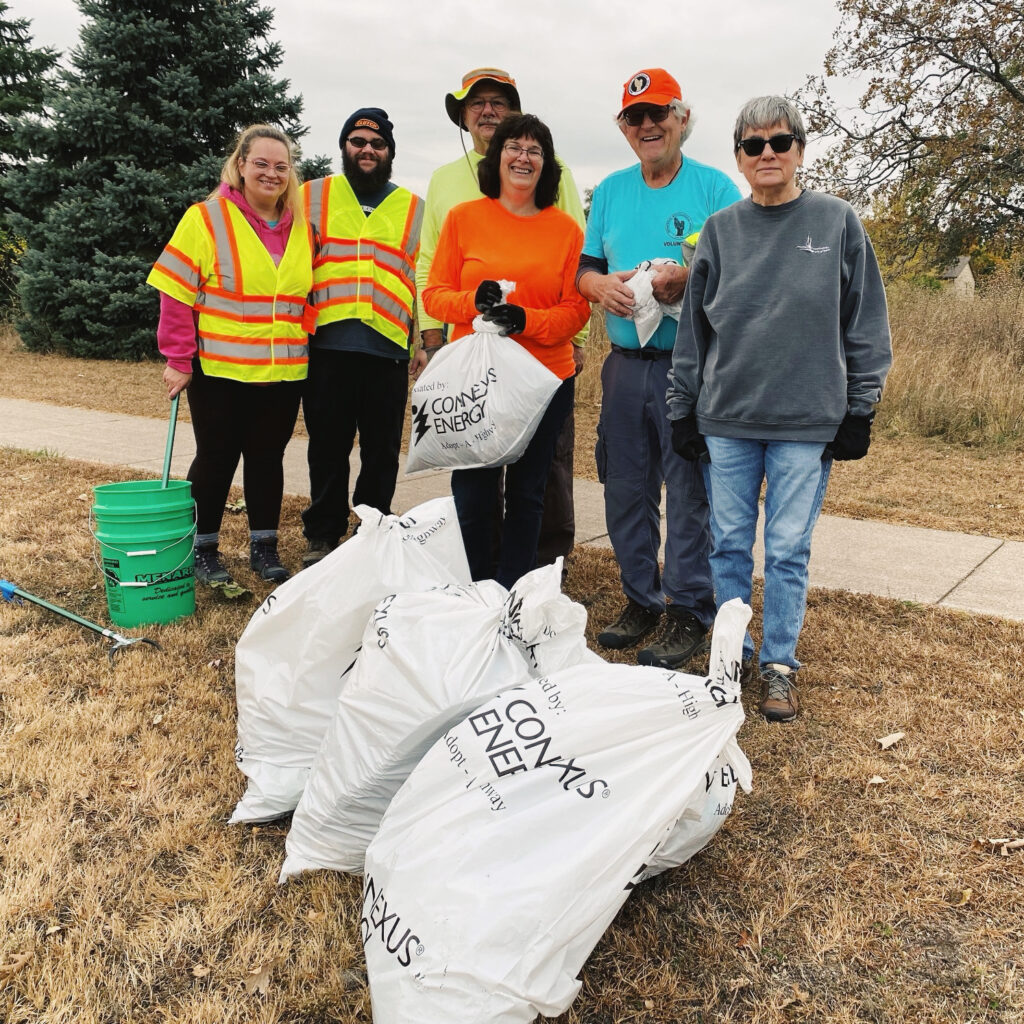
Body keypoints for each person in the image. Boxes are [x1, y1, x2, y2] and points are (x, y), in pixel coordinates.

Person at [668, 96, 892, 722]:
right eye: (753, 144)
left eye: (779, 141)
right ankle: (732, 654)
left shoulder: (839, 222)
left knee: (788, 547)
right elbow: (694, 333)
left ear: (799, 148)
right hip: (727, 420)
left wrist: (860, 410)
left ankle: (778, 663)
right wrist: (683, 408)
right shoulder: (719, 231)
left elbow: (866, 323)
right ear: (738, 157)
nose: (767, 153)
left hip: (807, 422)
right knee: (730, 544)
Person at [576, 68, 741, 667]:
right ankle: (640, 597)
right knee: (625, 485)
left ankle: (688, 608)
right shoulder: (613, 191)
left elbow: (740, 268)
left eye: (658, 114)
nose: (647, 125)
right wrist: (599, 287)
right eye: (634, 117)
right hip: (624, 364)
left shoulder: (715, 188)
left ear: (682, 119)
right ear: (623, 128)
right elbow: (585, 268)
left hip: (690, 367)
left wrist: (688, 276)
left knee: (689, 490)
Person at [413, 68, 588, 573]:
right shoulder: (465, 218)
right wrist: (474, 302)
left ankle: (513, 589)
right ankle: (477, 584)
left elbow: (576, 308)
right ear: (497, 156)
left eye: (535, 150)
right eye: (515, 147)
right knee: (474, 488)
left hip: (545, 377)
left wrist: (525, 318)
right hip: (479, 378)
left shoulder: (564, 230)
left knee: (530, 491)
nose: (523, 157)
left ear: (546, 164)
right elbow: (436, 293)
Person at [149, 124, 314, 587]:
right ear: (239, 166)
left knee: (268, 458)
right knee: (217, 457)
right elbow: (176, 293)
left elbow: (306, 297)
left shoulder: (303, 227)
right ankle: (202, 549)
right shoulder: (206, 218)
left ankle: (264, 546)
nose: (271, 173)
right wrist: (179, 359)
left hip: (283, 371)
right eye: (260, 163)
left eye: (281, 166)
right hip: (219, 368)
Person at [299, 108, 423, 567]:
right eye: (358, 141)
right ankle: (323, 534)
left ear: (390, 152)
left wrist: (427, 342)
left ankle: (373, 529)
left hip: (387, 348)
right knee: (327, 446)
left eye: (378, 144)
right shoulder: (311, 195)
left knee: (382, 450)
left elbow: (423, 276)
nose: (367, 150)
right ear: (344, 147)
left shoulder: (415, 207)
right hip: (327, 345)